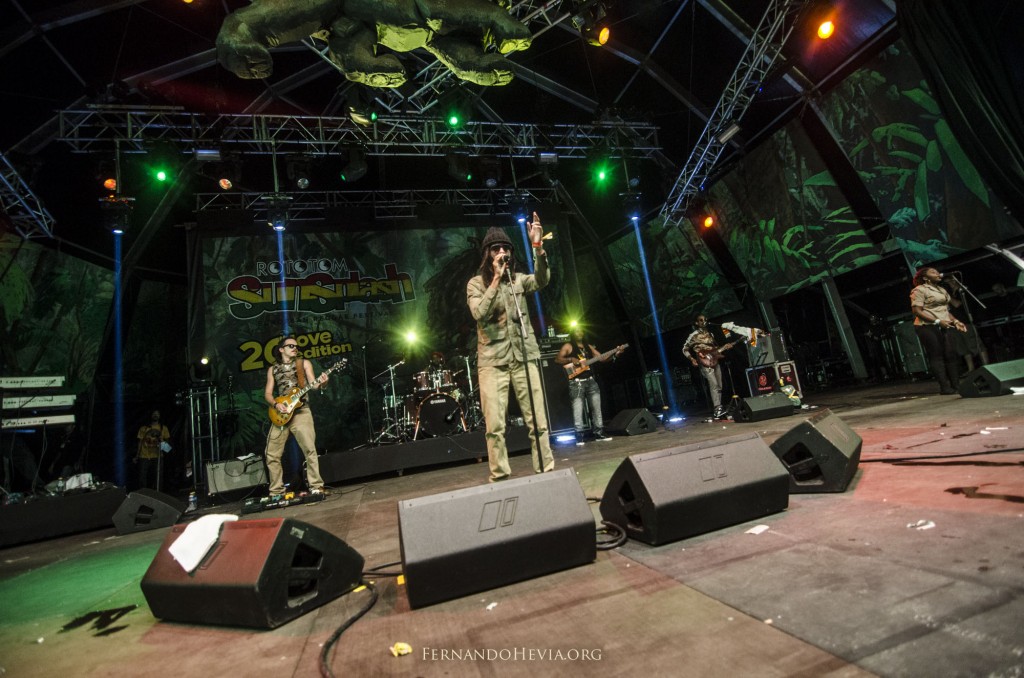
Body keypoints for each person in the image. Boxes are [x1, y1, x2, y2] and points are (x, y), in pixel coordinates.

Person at [466, 213, 554, 482]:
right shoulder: (476, 284)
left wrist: (537, 247)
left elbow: (542, 280)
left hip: (524, 356)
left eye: (506, 248)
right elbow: (479, 313)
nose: (502, 252)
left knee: (538, 420)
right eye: (496, 249)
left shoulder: (518, 280)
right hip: (493, 362)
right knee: (495, 426)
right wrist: (495, 280)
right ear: (487, 255)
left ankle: (546, 472)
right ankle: (501, 477)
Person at [264, 335, 329, 496]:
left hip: (301, 412)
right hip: (281, 414)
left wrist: (323, 382)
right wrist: (276, 404)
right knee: (272, 454)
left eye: (296, 346)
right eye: (291, 346)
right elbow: (268, 394)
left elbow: (314, 385)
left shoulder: (303, 363)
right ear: (281, 349)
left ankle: (316, 486)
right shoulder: (273, 369)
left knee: (309, 450)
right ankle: (276, 491)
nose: (295, 348)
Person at [555, 326, 622, 445]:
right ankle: (579, 436)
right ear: (573, 333)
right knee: (578, 409)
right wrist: (570, 358)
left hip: (590, 381)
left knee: (596, 407)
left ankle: (599, 433)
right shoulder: (568, 346)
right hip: (576, 382)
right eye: (576, 331)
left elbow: (602, 358)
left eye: (581, 330)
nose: (579, 333)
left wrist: (615, 354)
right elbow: (558, 359)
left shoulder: (588, 346)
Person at [910, 267, 967, 394]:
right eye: (933, 272)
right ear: (925, 278)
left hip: (944, 324)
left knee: (951, 354)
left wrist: (956, 321)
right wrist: (937, 321)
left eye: (937, 271)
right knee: (937, 355)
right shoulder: (919, 290)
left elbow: (945, 310)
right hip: (926, 326)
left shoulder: (942, 290)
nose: (937, 273)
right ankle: (944, 388)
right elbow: (917, 311)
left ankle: (956, 385)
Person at [682, 315, 736, 419]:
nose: (704, 321)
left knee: (719, 385)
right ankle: (717, 408)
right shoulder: (693, 335)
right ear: (697, 323)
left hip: (714, 360)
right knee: (714, 384)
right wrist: (692, 359)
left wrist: (725, 347)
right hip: (704, 361)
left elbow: (715, 349)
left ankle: (719, 409)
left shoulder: (710, 334)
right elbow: (685, 349)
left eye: (705, 319)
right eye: (701, 320)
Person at [135, 410, 170, 490]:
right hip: (144, 456)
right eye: (154, 414)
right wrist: (137, 456)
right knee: (142, 477)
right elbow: (140, 443)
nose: (155, 415)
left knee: (158, 478)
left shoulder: (163, 428)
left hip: (158, 456)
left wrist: (161, 441)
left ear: (160, 416)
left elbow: (167, 448)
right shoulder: (143, 428)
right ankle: (143, 493)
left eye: (157, 414)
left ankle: (158, 493)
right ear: (151, 415)